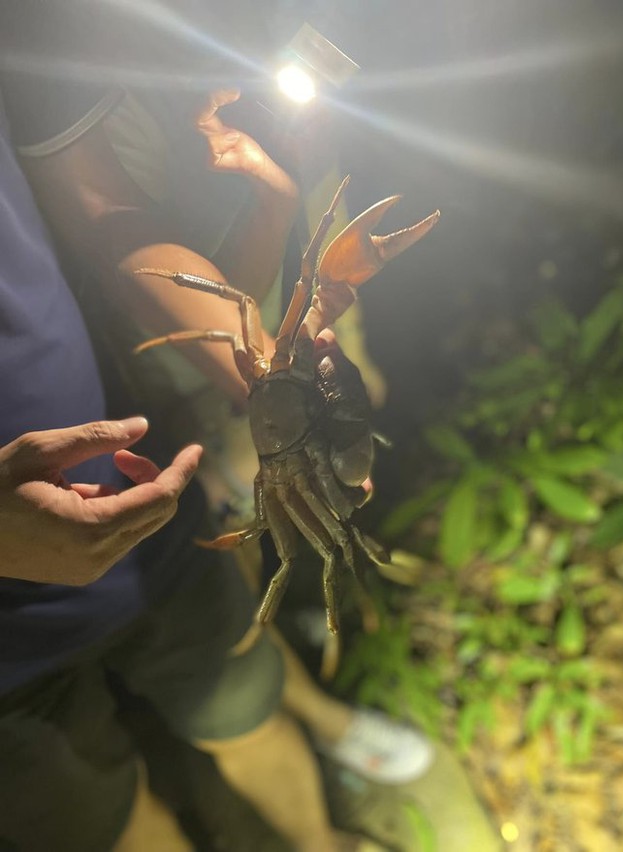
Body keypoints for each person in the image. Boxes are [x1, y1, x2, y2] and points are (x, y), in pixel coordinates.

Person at [0, 5, 434, 852]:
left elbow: (106, 218)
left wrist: (274, 325)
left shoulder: (27, 37)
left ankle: (323, 832)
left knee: (241, 693)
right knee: (101, 823)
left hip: (135, 484)